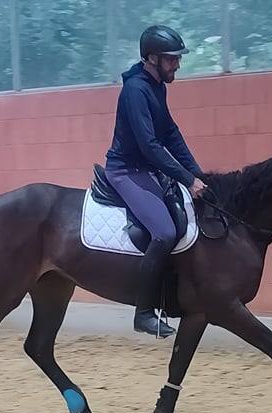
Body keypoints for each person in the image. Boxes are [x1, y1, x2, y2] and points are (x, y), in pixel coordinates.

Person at [105, 25, 207, 338]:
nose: (177, 64)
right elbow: (150, 145)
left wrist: (197, 174)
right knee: (163, 231)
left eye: (177, 58)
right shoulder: (135, 91)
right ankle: (144, 312)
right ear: (152, 58)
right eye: (172, 58)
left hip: (147, 170)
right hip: (125, 171)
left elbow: (170, 134)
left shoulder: (156, 85)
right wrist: (186, 179)